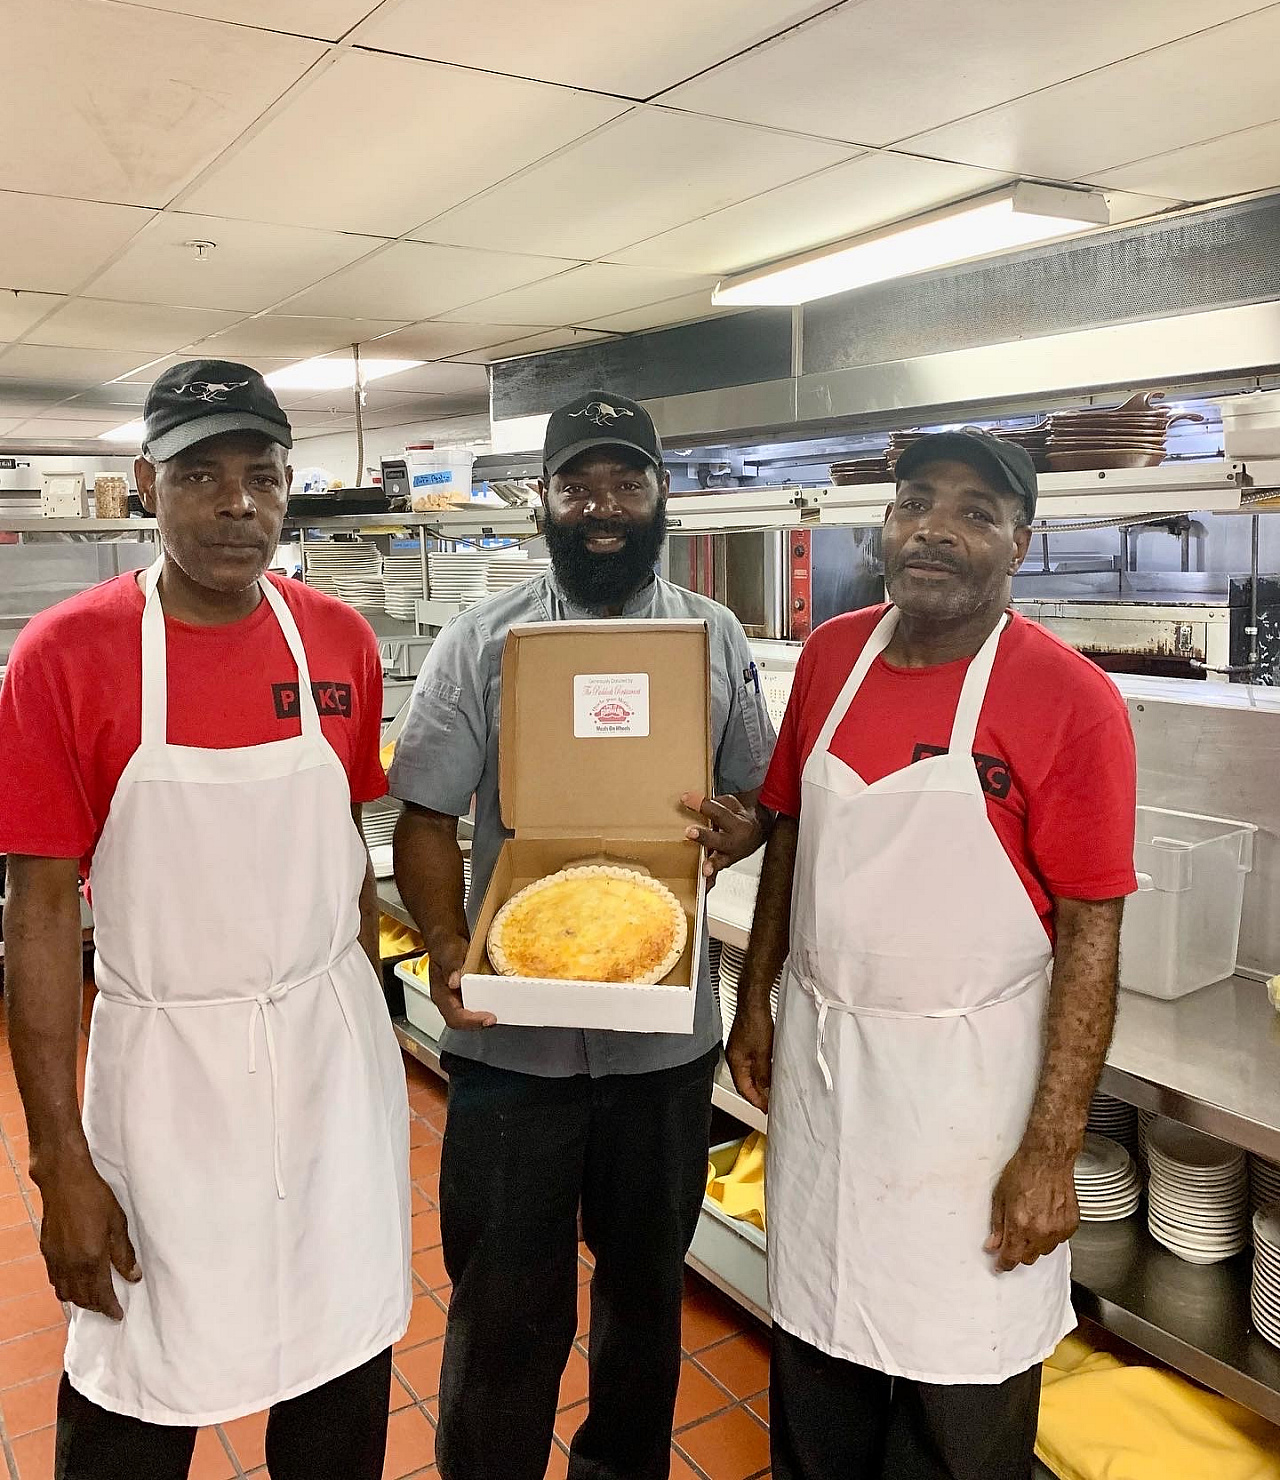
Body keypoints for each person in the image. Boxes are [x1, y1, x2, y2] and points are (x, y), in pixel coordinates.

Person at [0, 361, 411, 1479]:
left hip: (329, 1071)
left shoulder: (338, 641)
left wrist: (369, 1033)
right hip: (168, 1083)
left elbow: (344, 852)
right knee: (135, 1391)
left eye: (261, 476)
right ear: (147, 484)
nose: (237, 504)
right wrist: (58, 1159)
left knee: (338, 1379)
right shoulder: (66, 654)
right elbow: (41, 914)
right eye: (200, 475)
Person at [728, 430, 1138, 1480]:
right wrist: (757, 997)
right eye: (915, 502)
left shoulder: (1071, 700)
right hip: (828, 1086)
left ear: (1019, 543)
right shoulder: (831, 657)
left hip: (969, 1110)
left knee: (961, 1413)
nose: (934, 531)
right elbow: (790, 832)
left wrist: (1051, 1151)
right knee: (817, 1377)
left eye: (974, 512)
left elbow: (1092, 933)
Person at [391, 391, 776, 1480]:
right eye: (577, 486)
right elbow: (425, 814)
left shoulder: (714, 637)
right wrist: (450, 943)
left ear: (660, 495)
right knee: (503, 1304)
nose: (602, 508)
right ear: (544, 499)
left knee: (645, 1301)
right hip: (512, 1047)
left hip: (662, 1047)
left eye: (625, 483)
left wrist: (738, 827)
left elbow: (758, 799)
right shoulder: (481, 639)